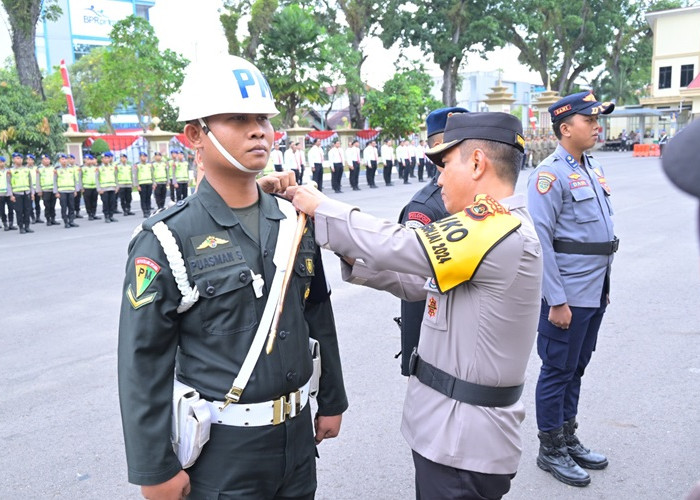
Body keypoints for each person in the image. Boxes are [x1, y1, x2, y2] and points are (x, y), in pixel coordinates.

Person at [118, 54, 348, 500]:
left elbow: (317, 312)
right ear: (194, 136)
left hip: (297, 440)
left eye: (262, 118)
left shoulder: (293, 219)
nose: (259, 129)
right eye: (238, 119)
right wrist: (154, 468)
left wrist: (332, 399)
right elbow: (142, 361)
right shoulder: (167, 239)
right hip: (224, 453)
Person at [288, 112, 541, 500]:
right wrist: (349, 254)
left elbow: (406, 245)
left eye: (445, 164)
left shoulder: (497, 227)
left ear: (476, 163)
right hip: (449, 431)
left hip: (463, 443)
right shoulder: (489, 234)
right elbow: (418, 283)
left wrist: (323, 207)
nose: (438, 179)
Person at [527, 91, 617, 488]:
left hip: (594, 290)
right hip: (568, 295)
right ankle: (550, 449)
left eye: (598, 119)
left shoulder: (590, 166)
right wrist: (556, 300)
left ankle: (567, 436)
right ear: (566, 128)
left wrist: (604, 288)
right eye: (590, 120)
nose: (598, 126)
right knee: (557, 370)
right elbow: (541, 242)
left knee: (576, 368)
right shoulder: (548, 175)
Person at [396, 106, 467, 376]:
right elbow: (414, 286)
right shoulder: (423, 208)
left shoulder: (470, 195)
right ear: (440, 148)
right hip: (435, 339)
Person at [9, 152, 35, 234]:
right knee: (19, 211)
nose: (19, 160)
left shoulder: (26, 170)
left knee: (27, 210)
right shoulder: (11, 171)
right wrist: (11, 195)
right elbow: (9, 184)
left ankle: (27, 226)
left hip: (26, 192)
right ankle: (21, 227)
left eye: (20, 158)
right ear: (13, 160)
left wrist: (32, 193)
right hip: (17, 193)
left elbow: (30, 182)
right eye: (17, 158)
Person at [54, 152, 79, 228]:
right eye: (62, 159)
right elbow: (54, 181)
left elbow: (75, 180)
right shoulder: (57, 170)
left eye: (65, 159)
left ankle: (71, 221)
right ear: (59, 161)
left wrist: (75, 190)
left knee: (71, 206)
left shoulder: (71, 169)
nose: (64, 161)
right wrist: (56, 192)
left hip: (71, 190)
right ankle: (66, 222)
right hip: (62, 191)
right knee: (64, 207)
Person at [37, 154, 59, 226]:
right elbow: (38, 181)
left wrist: (57, 190)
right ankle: (48, 219)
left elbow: (56, 180)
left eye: (47, 159)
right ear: (42, 161)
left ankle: (53, 219)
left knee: (53, 205)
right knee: (47, 205)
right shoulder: (39, 169)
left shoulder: (53, 168)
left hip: (53, 189)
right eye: (45, 159)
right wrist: (39, 190)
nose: (46, 161)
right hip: (45, 190)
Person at [96, 151, 119, 223]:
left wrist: (117, 186)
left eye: (107, 158)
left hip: (112, 188)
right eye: (104, 158)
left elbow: (116, 177)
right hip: (104, 189)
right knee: (105, 203)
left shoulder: (113, 167)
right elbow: (97, 179)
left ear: (109, 159)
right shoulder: (99, 168)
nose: (106, 159)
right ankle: (106, 216)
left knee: (112, 202)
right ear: (102, 160)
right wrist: (99, 189)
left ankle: (111, 216)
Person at [135, 151, 155, 217]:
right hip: (141, 184)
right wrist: (137, 185)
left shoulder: (149, 165)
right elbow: (135, 175)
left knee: (148, 197)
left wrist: (153, 183)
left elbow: (152, 174)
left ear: (146, 157)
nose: (143, 158)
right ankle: (145, 211)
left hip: (149, 183)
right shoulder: (137, 165)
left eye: (144, 156)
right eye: (141, 156)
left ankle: (148, 210)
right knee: (143, 198)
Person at [81, 154, 100, 220]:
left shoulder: (95, 168)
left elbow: (98, 177)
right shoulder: (82, 168)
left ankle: (94, 213)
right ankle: (89, 214)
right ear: (84, 160)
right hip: (86, 187)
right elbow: (80, 178)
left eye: (90, 159)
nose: (88, 161)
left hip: (95, 187)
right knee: (87, 202)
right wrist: (81, 187)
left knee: (94, 201)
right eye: (87, 159)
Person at [0, 155, 17, 231]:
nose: (1, 164)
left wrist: (12, 194)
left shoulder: (8, 171)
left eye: (2, 162)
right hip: (0, 194)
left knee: (11, 209)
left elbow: (11, 182)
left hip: (8, 193)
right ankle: (5, 224)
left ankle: (11, 223)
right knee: (2, 210)